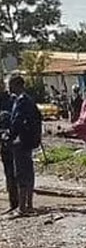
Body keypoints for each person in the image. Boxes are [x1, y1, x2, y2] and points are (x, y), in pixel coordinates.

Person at [8, 74, 42, 215]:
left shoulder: (21, 101)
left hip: (21, 142)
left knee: (21, 173)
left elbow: (17, 121)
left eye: (10, 84)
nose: (9, 87)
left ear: (16, 85)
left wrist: (9, 135)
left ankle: (23, 207)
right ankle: (28, 204)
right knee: (28, 172)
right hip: (28, 141)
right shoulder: (28, 100)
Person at [0, 81, 16, 214]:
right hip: (4, 143)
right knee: (9, 172)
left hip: (14, 141)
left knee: (15, 172)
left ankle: (19, 203)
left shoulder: (12, 100)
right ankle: (14, 202)